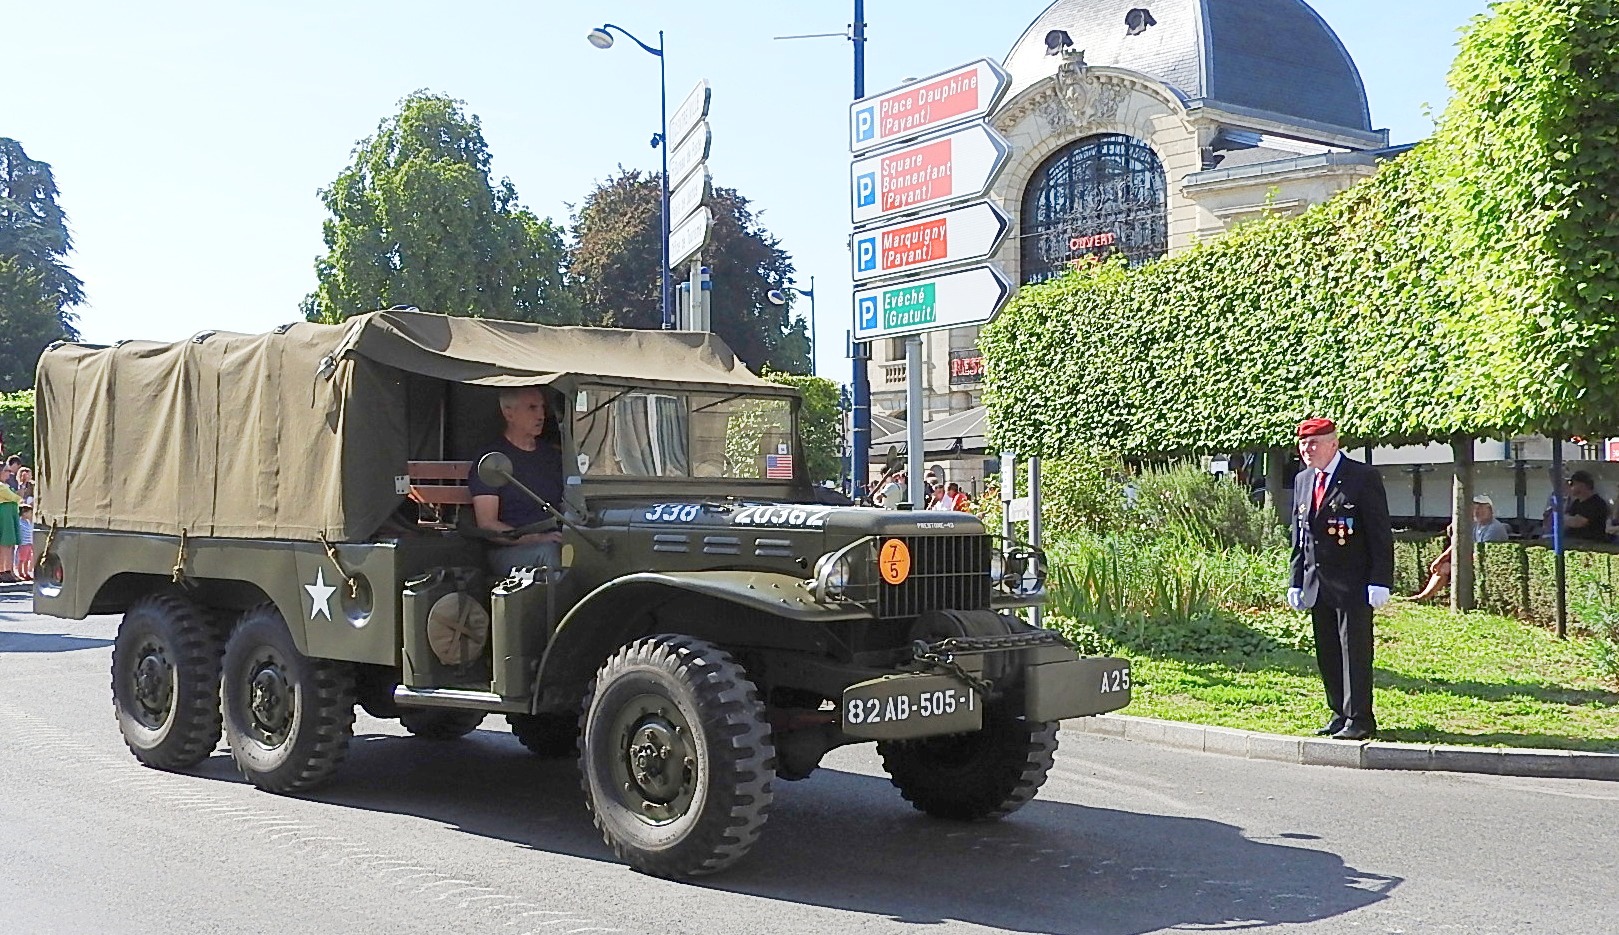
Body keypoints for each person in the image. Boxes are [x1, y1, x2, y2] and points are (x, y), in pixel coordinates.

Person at [1286, 417, 1394, 741]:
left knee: (1354, 652)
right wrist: (1295, 579)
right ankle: (1339, 712)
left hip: (1353, 582)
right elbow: (1299, 535)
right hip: (1317, 583)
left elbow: (1379, 533)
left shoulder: (1361, 477)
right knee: (1328, 652)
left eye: (1314, 443)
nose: (1307, 449)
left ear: (1334, 444)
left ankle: (1360, 718)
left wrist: (1380, 580)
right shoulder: (1304, 480)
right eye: (1303, 444)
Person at [467, 386, 565, 575]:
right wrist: (535, 538)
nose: (541, 415)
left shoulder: (552, 456)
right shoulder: (491, 460)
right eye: (532, 408)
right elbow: (488, 524)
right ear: (508, 413)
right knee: (550, 553)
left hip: (555, 540)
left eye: (542, 407)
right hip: (508, 550)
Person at [1551, 470, 1610, 543]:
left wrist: (1560, 516)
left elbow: (1577, 522)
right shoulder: (1576, 503)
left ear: (1583, 485)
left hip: (1590, 543)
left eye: (1572, 484)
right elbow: (1565, 520)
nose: (1570, 487)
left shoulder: (1597, 503)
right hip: (1572, 541)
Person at [15, 503, 33, 581]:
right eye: (30, 512)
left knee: (27, 560)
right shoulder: (20, 523)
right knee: (22, 560)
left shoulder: (27, 522)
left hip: (28, 544)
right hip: (23, 544)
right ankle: (20, 573)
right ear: (24, 513)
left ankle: (26, 573)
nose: (31, 514)